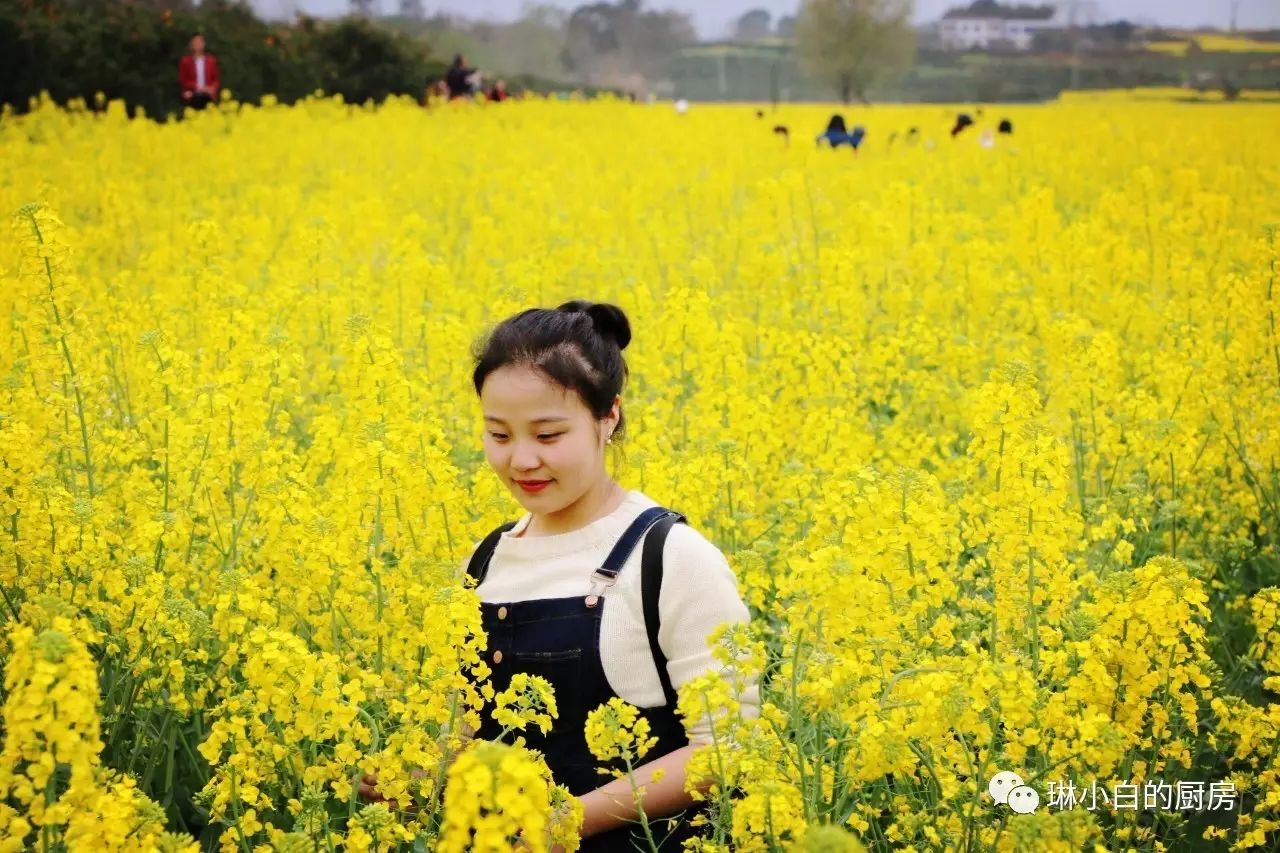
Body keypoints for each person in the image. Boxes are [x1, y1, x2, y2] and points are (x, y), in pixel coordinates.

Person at [359, 300, 760, 851]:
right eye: (499, 435)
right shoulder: (485, 560)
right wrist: (418, 779)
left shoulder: (670, 557)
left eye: (547, 435)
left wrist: (563, 823)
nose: (521, 460)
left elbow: (727, 749)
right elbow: (470, 725)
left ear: (608, 416)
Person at [178, 33, 220, 111]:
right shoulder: (185, 61)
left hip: (208, 96)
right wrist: (198, 87)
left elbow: (216, 80)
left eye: (200, 42)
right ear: (191, 45)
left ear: (204, 44)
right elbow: (183, 81)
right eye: (195, 42)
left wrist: (212, 88)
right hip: (192, 95)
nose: (198, 45)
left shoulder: (211, 60)